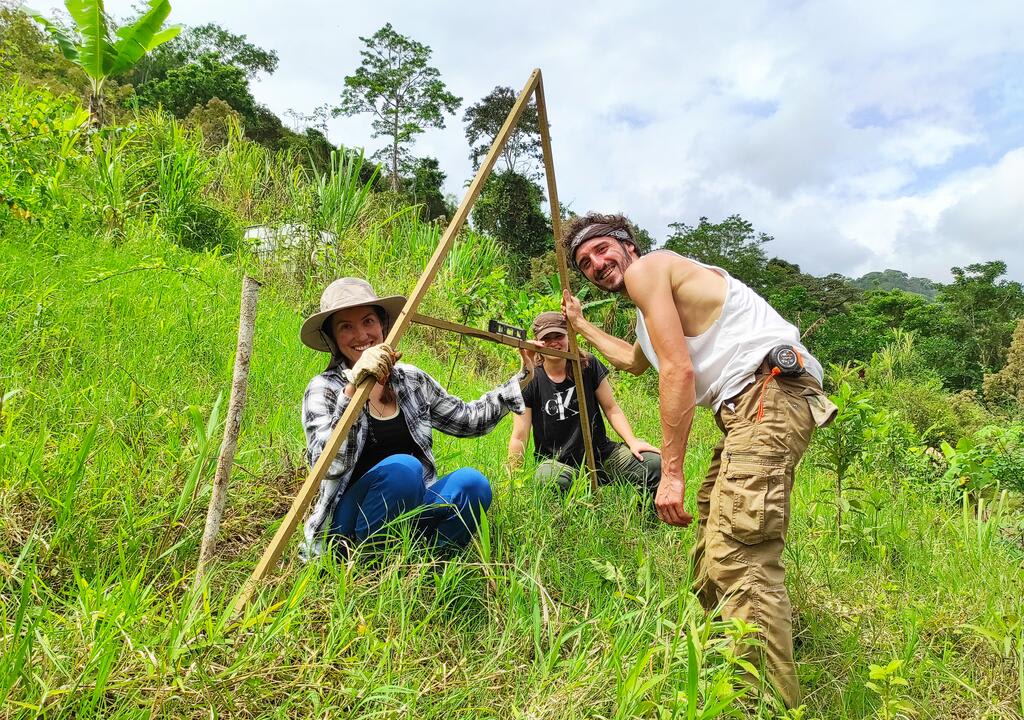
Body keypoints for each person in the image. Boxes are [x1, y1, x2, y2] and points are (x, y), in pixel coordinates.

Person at [559, 213, 837, 709]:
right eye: (585, 264)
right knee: (714, 533)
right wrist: (580, 326)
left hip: (767, 391)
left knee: (740, 552)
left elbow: (678, 371)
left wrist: (671, 473)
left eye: (602, 250)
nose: (597, 265)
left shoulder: (651, 271)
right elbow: (633, 359)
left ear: (627, 245)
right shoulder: (651, 308)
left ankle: (765, 704)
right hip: (752, 407)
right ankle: (721, 662)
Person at [299, 277, 533, 558]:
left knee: (472, 484)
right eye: (345, 327)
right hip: (347, 524)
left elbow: (467, 419)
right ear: (334, 338)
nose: (361, 335)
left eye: (368, 321)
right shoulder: (324, 388)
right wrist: (353, 388)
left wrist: (522, 379)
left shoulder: (410, 380)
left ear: (383, 325)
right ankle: (370, 568)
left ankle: (422, 568)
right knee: (404, 469)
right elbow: (328, 466)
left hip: (409, 507)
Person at [507, 311, 661, 495]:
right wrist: (513, 479)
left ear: (569, 336)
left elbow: (611, 408)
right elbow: (519, 435)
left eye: (559, 336)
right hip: (557, 462)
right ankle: (576, 506)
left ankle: (644, 517)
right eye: (547, 338)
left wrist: (632, 441)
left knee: (653, 463)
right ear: (538, 341)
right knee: (549, 478)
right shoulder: (531, 378)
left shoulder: (587, 365)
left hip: (600, 455)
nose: (554, 342)